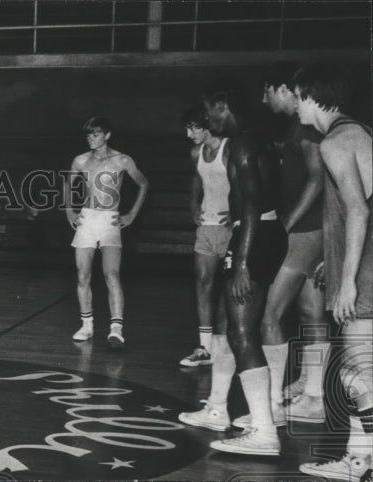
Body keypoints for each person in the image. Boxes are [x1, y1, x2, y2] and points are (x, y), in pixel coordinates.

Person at [293, 63, 373, 482]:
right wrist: (336, 258)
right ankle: (358, 462)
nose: (294, 105)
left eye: (297, 95)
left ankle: (364, 463)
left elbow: (359, 208)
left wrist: (348, 280)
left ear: (312, 95)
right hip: (362, 262)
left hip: (366, 271)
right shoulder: (357, 131)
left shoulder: (336, 142)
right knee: (360, 371)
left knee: (358, 374)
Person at [201, 78, 287, 456]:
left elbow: (251, 203)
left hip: (255, 234)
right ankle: (230, 412)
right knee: (235, 323)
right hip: (264, 230)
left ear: (223, 107)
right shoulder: (259, 138)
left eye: (209, 111)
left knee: (240, 331)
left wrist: (242, 264)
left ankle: (265, 432)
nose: (207, 119)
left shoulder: (242, 145)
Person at [252, 61, 329, 428]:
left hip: (304, 232)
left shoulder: (309, 128)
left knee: (269, 313)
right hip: (314, 232)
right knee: (312, 312)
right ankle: (314, 394)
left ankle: (269, 413)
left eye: (267, 91)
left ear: (283, 89)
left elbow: (317, 180)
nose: (264, 100)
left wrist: (286, 224)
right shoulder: (299, 127)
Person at [66, 117, 149, 348]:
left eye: (95, 134)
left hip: (110, 220)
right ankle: (87, 325)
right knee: (82, 274)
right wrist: (70, 211)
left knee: (111, 274)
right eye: (88, 134)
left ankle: (116, 328)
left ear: (107, 135)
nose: (90, 138)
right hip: (87, 219)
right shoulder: (80, 160)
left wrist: (132, 214)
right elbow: (68, 184)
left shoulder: (122, 159)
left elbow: (143, 184)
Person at [180, 105, 231, 367]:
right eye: (187, 128)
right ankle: (205, 347)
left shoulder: (230, 148)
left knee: (228, 288)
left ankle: (223, 347)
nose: (189, 133)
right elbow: (197, 178)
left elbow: (248, 182)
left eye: (193, 127)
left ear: (207, 125)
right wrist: (192, 204)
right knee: (203, 283)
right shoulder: (195, 152)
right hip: (206, 225)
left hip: (231, 228)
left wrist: (239, 212)